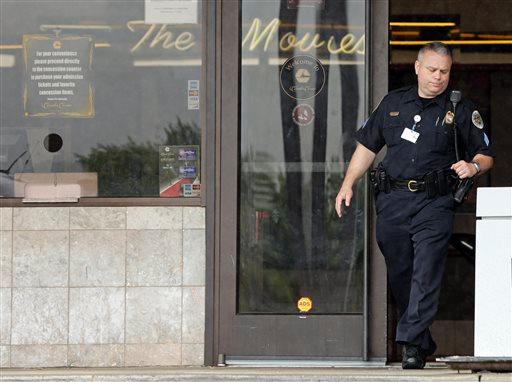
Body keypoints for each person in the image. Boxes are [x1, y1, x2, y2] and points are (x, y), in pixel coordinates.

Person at [335, 42, 495, 369]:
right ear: (417, 67)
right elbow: (368, 146)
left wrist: (473, 167)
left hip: (434, 202)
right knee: (402, 270)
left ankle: (409, 344)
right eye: (433, 70)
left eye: (445, 71)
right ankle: (422, 339)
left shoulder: (461, 109)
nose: (438, 77)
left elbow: (486, 154)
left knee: (426, 268)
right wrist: (348, 182)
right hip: (392, 200)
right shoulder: (393, 104)